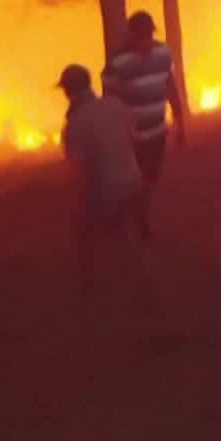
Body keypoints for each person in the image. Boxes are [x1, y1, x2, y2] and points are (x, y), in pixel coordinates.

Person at [58, 64, 145, 293]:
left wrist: (77, 207)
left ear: (68, 91)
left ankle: (89, 286)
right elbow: (133, 140)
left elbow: (78, 171)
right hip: (133, 180)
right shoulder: (116, 105)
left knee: (84, 233)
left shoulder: (74, 125)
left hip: (106, 189)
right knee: (124, 230)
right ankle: (139, 277)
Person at [100, 10, 184, 238]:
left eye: (149, 34)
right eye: (141, 36)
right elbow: (110, 101)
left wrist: (179, 121)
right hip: (131, 137)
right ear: (131, 36)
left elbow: (170, 86)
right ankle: (136, 220)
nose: (146, 40)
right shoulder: (117, 64)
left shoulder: (163, 54)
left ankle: (134, 214)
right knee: (133, 180)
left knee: (150, 178)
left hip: (157, 131)